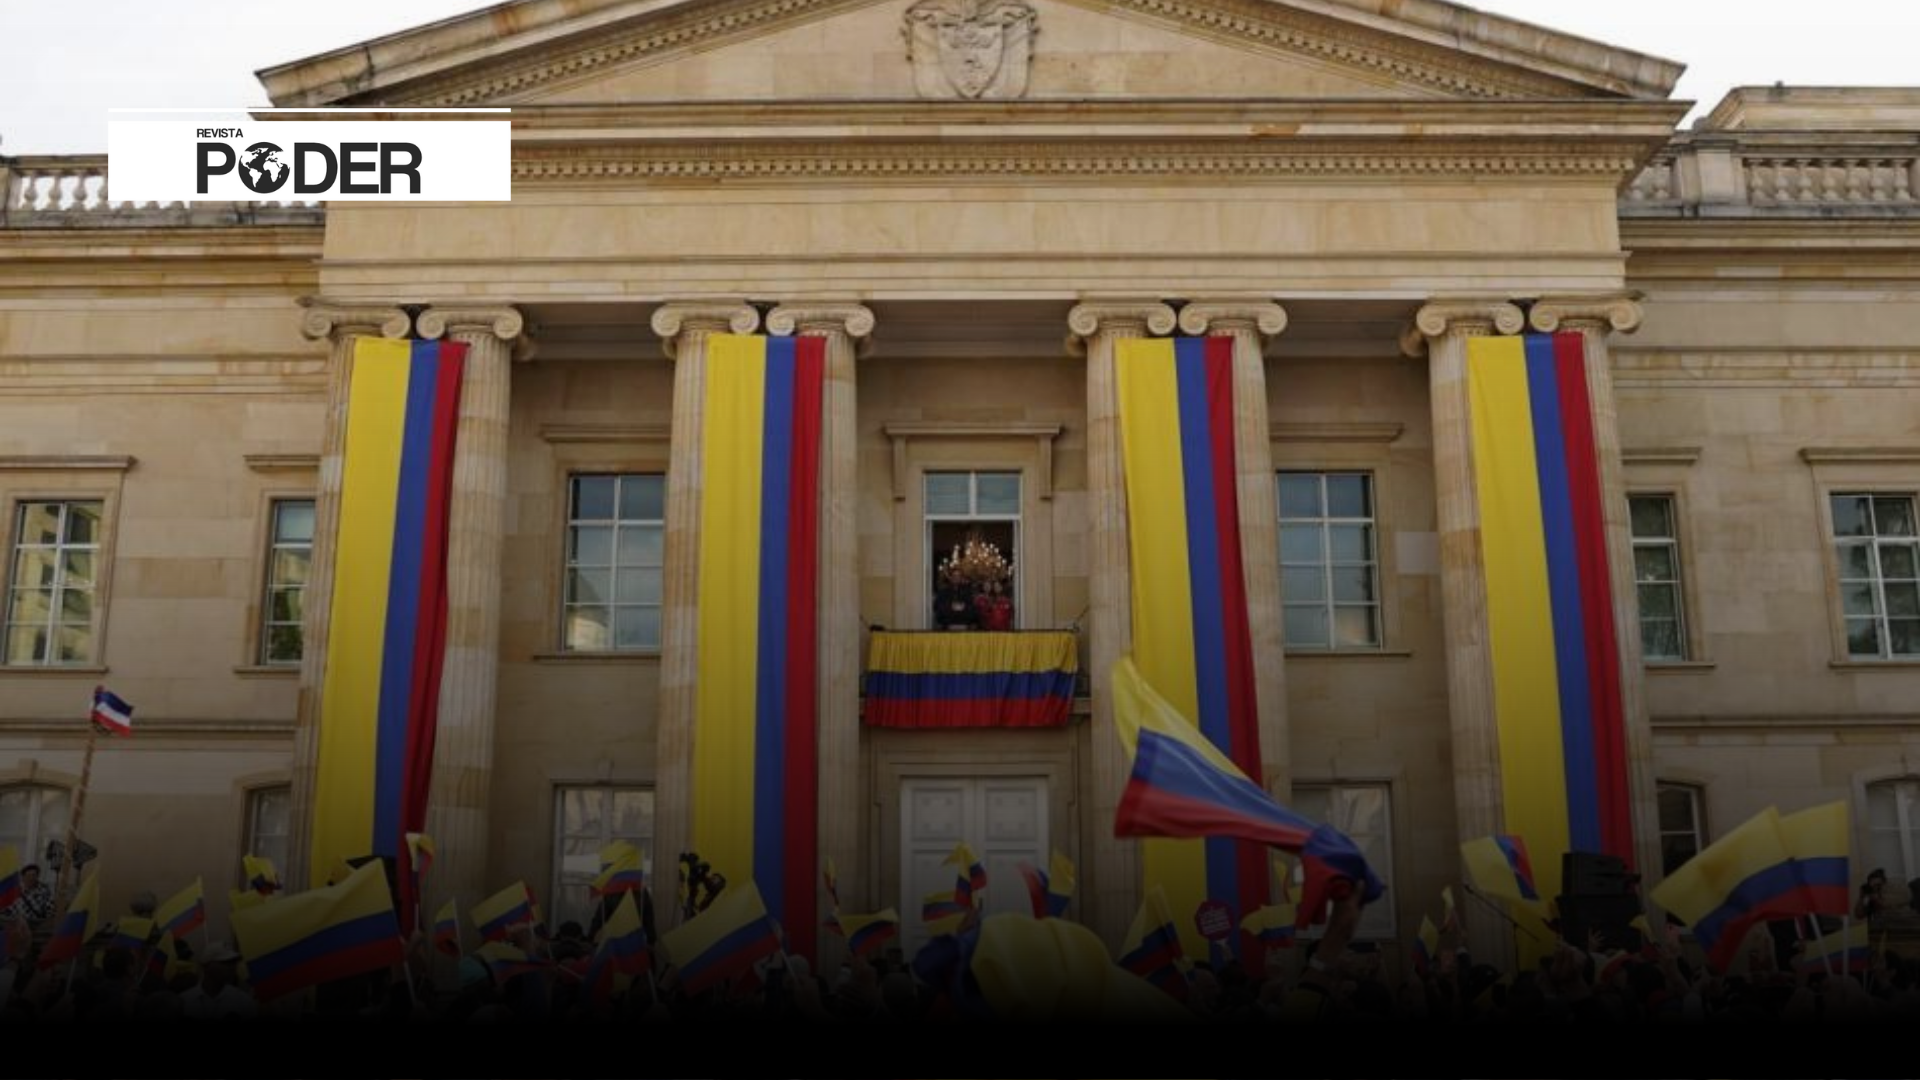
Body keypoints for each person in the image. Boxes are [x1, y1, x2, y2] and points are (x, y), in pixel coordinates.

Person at [177, 942, 256, 1020]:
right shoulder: (183, 1002)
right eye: (225, 962)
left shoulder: (243, 1001)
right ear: (206, 965)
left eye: (233, 963)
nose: (232, 967)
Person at [4, 864, 54, 930]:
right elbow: (6, 908)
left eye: (34, 875)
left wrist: (46, 923)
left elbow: (50, 908)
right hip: (17, 925)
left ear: (37, 876)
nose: (31, 878)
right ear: (23, 877)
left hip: (36, 925)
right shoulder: (15, 890)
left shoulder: (44, 890)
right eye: (28, 875)